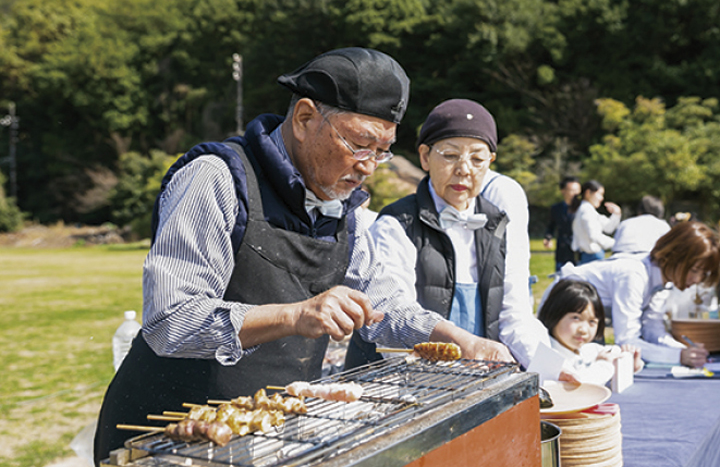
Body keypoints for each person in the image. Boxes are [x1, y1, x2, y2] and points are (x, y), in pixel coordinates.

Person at [93, 48, 515, 463]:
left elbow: (385, 306)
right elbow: (171, 320)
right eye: (359, 144)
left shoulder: (347, 209)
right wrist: (295, 316)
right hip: (163, 438)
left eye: (382, 150)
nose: (369, 166)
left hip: (268, 437)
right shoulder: (216, 180)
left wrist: (461, 340)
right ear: (305, 118)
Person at [344, 99, 549, 371]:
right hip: (398, 380)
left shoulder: (499, 224)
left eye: (477, 159)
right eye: (450, 155)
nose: (464, 169)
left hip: (472, 378)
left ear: (491, 163)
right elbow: (390, 317)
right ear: (425, 157)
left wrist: (551, 368)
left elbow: (515, 316)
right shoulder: (397, 223)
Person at [540, 221, 720, 368]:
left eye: (703, 274)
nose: (697, 279)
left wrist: (687, 350)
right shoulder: (633, 274)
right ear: (675, 255)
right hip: (559, 319)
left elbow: (653, 330)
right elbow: (627, 341)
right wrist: (679, 356)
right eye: (695, 270)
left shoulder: (662, 280)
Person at [537, 279, 643, 386]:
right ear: (553, 314)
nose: (583, 330)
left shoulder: (588, 350)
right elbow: (578, 385)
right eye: (576, 318)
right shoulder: (548, 355)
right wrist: (603, 364)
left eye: (592, 322)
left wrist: (628, 364)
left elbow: (613, 352)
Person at [570, 179, 621, 265]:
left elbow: (608, 228)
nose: (602, 198)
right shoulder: (586, 210)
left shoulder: (589, 210)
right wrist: (617, 244)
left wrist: (616, 214)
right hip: (591, 257)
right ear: (588, 193)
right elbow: (594, 235)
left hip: (590, 256)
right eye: (600, 194)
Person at [544, 176, 581, 271]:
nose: (576, 193)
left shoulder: (583, 208)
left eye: (577, 190)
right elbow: (551, 226)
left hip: (579, 252)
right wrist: (548, 238)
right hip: (562, 251)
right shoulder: (556, 208)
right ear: (563, 191)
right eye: (572, 190)